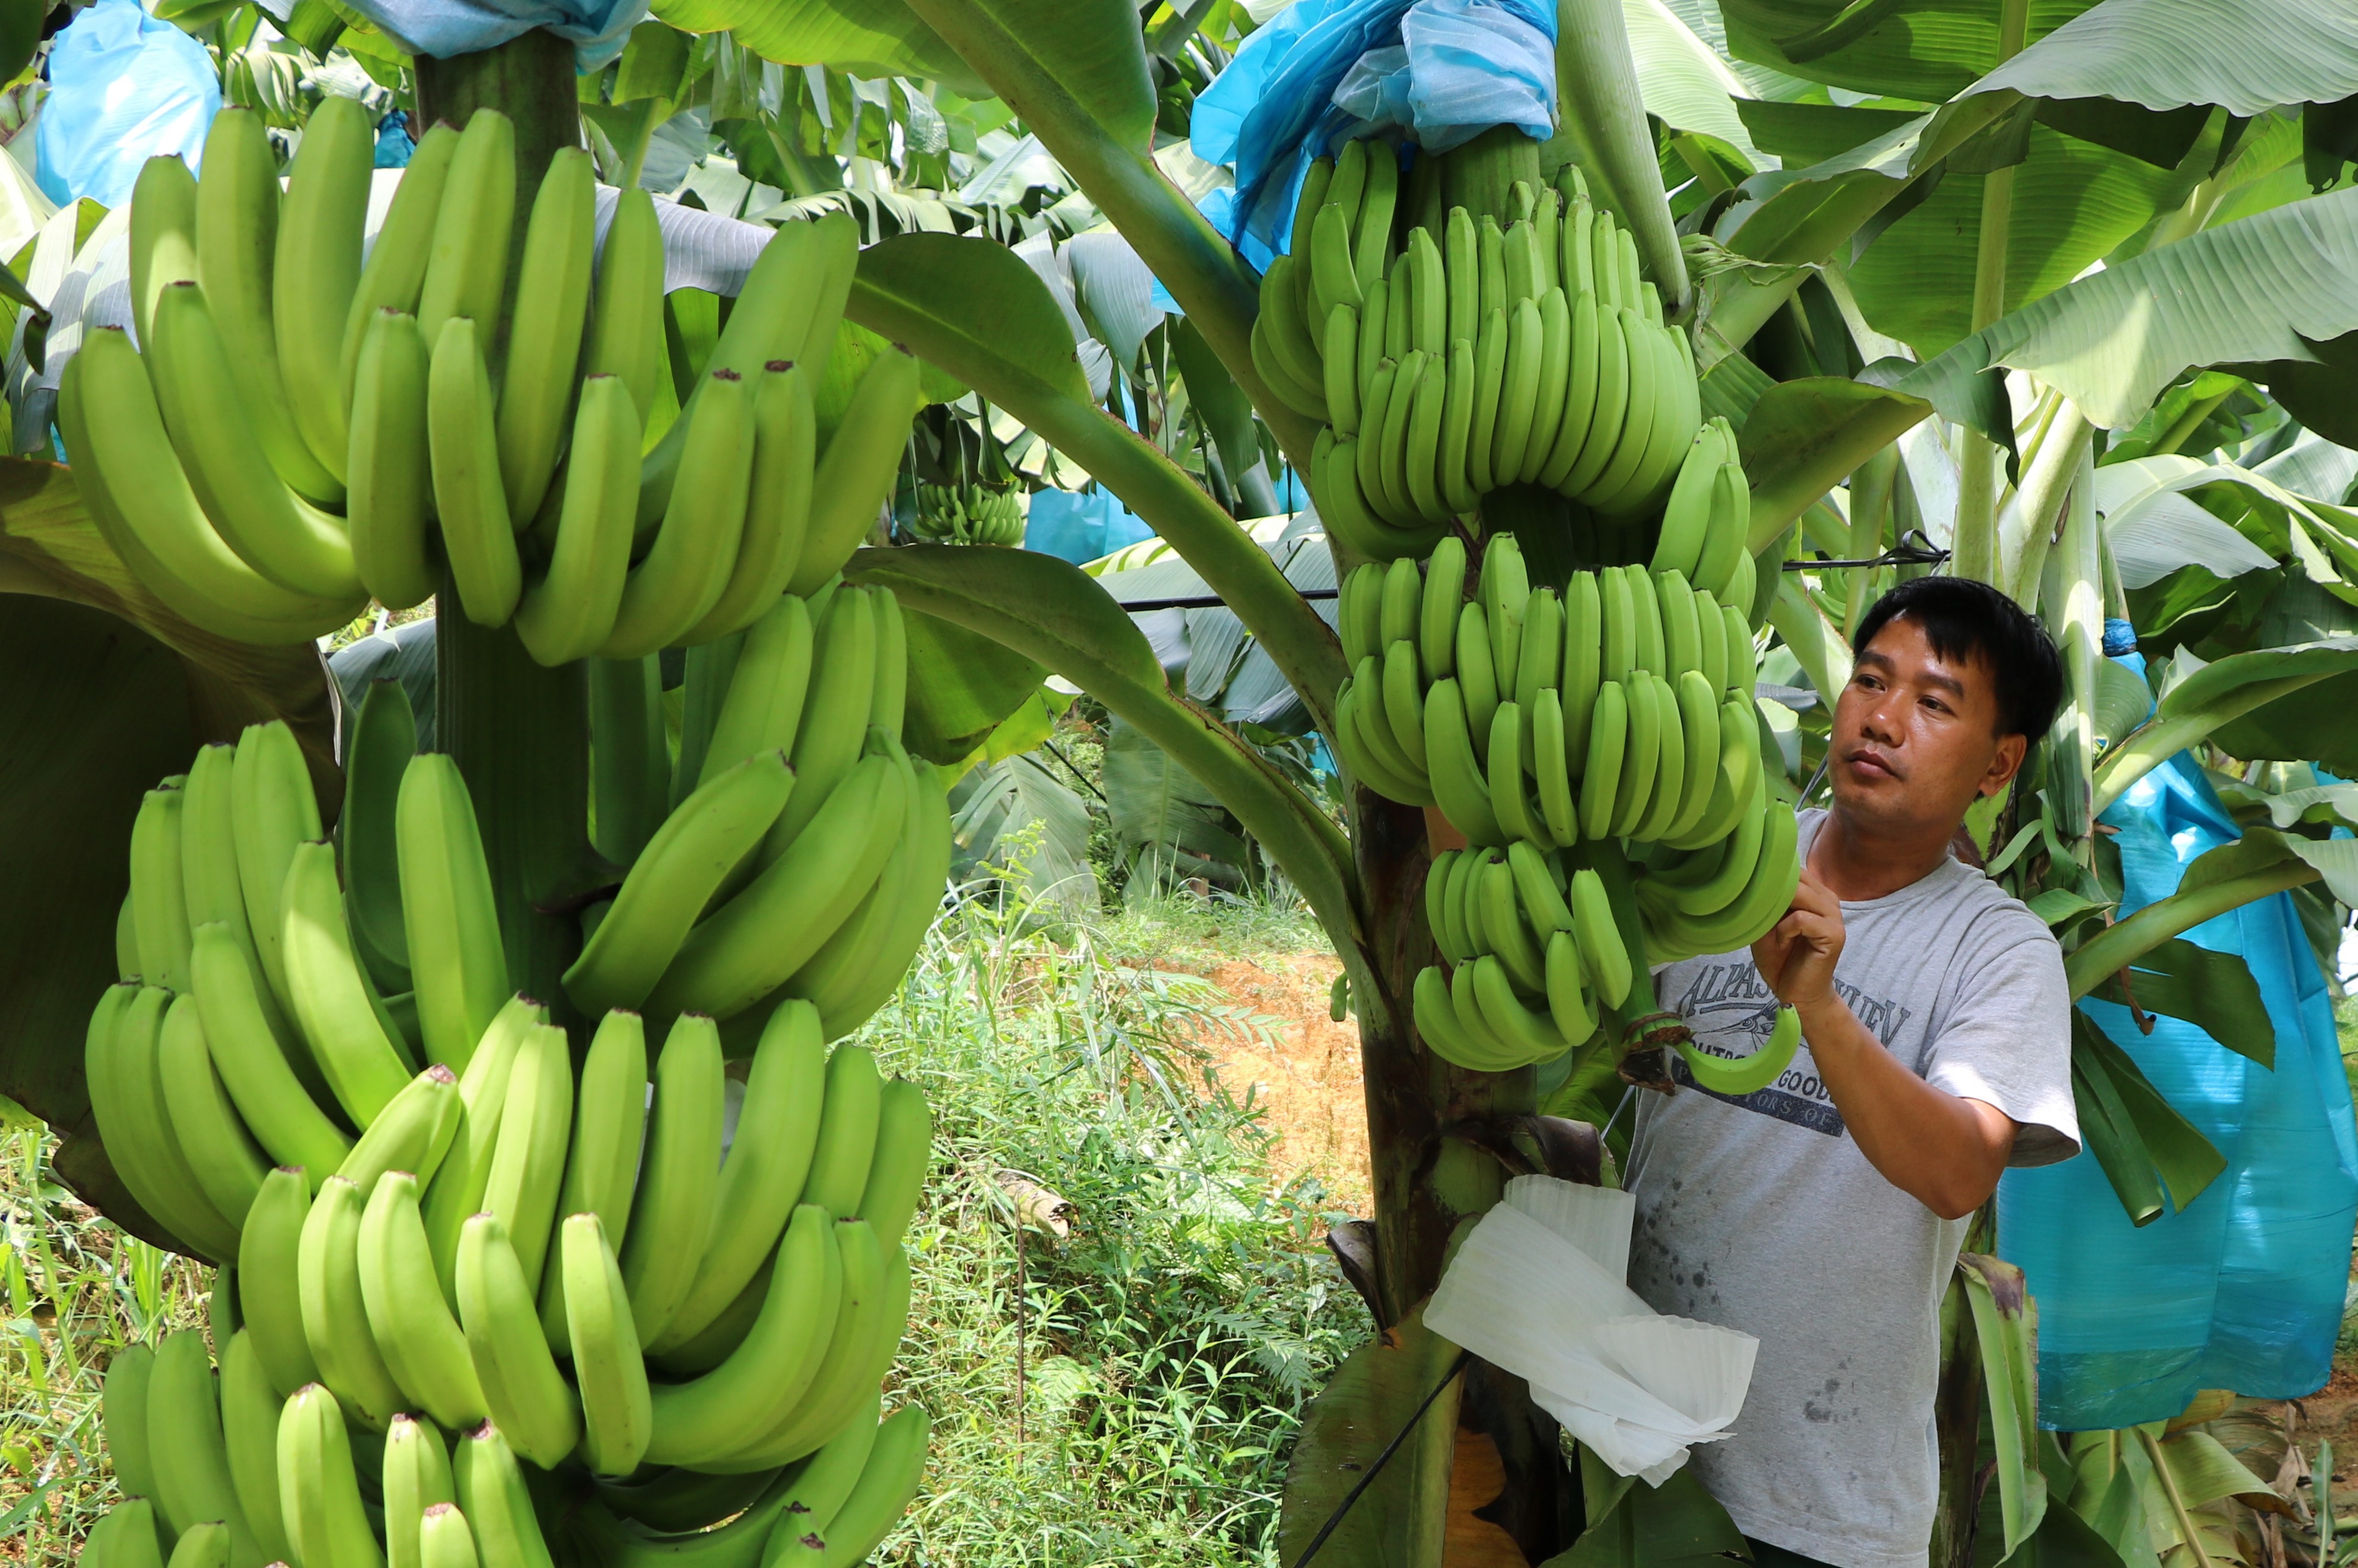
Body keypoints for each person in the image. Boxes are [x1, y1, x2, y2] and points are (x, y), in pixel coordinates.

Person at [1624, 575, 2081, 1568]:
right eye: (1870, 681)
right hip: (1622, 1447)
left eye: (1932, 702)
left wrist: (1818, 1007)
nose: (1882, 718)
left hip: (1819, 1506)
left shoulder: (1996, 952)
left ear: (1998, 764)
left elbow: (1961, 1170)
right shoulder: (1721, 871)